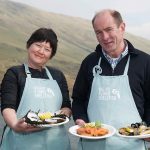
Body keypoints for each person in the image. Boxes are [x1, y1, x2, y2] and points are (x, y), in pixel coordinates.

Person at [72, 9, 150, 150]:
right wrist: (80, 119)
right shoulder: (89, 62)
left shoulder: (145, 62)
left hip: (133, 145)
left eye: (109, 29)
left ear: (122, 27)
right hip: (93, 144)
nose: (105, 37)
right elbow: (78, 99)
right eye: (98, 32)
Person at [0, 28, 71, 150]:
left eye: (47, 49)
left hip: (56, 142)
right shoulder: (15, 73)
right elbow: (7, 106)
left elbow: (66, 106)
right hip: (21, 141)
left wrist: (62, 116)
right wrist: (15, 125)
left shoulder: (58, 75)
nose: (41, 51)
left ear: (51, 54)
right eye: (38, 45)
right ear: (29, 45)